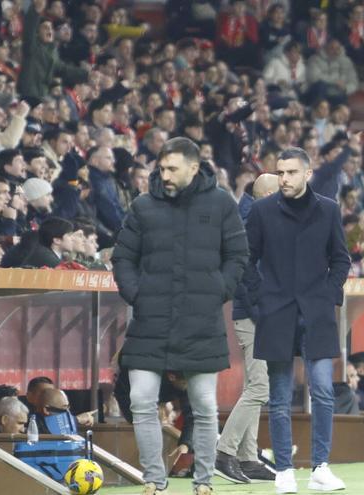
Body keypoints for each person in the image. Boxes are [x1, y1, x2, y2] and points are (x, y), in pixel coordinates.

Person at [112, 137, 248, 495]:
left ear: (193, 167)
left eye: (172, 168)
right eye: (162, 168)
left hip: (201, 321)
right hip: (149, 321)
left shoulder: (221, 203)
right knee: (141, 400)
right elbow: (123, 258)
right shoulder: (143, 206)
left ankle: (203, 482)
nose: (165, 175)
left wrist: (219, 289)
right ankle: (154, 480)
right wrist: (138, 295)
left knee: (204, 405)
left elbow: (238, 254)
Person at [245, 147, 351, 494]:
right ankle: (284, 471)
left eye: (291, 172)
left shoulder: (329, 209)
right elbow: (246, 260)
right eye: (280, 172)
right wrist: (261, 298)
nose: (284, 179)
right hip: (276, 312)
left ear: (307, 173)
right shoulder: (261, 211)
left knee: (323, 391)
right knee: (279, 397)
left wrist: (329, 296)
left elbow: (341, 259)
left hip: (316, 313)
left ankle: (320, 467)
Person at [215, 174, 279, 484]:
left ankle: (248, 457)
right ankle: (224, 452)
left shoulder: (256, 218)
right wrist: (259, 311)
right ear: (266, 194)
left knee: (255, 385)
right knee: (259, 388)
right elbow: (245, 275)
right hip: (254, 316)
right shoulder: (251, 221)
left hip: (258, 314)